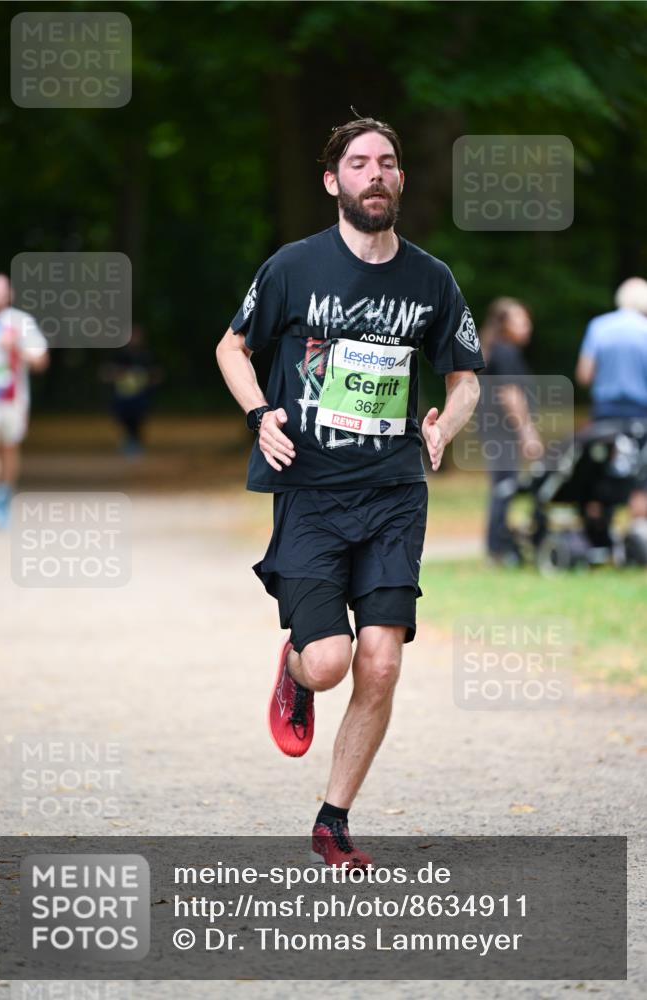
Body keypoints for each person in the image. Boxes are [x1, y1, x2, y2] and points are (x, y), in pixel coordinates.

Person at [216, 116, 483, 868]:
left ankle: (332, 819)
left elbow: (463, 375)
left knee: (382, 660)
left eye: (388, 163)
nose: (375, 173)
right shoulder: (293, 267)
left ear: (399, 181)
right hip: (310, 489)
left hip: (394, 490)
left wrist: (444, 425)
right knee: (330, 661)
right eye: (359, 163)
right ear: (333, 182)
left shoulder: (431, 279)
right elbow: (232, 347)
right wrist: (260, 412)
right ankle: (296, 668)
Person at [575, 276, 647, 535]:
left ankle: (598, 534)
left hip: (604, 415)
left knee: (601, 473)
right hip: (640, 416)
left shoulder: (599, 327)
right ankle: (638, 539)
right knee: (640, 479)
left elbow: (584, 374)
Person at [478, 297, 544, 565]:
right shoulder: (505, 351)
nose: (528, 326)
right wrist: (527, 431)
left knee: (503, 484)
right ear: (504, 324)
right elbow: (510, 394)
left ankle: (499, 544)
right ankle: (498, 548)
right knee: (505, 485)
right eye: (521, 320)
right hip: (502, 431)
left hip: (495, 430)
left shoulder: (497, 349)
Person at [0, 273, 49, 528]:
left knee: (8, 447)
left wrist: (16, 347)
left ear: (9, 295)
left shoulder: (22, 323)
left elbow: (41, 361)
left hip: (13, 397)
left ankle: (4, 496)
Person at [99, 324, 162, 456]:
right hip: (122, 396)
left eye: (137, 335)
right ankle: (131, 440)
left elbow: (157, 375)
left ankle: (135, 441)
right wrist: (119, 374)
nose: (134, 339)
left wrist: (146, 379)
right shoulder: (118, 355)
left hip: (141, 395)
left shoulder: (146, 355)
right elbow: (105, 373)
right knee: (123, 414)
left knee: (138, 416)